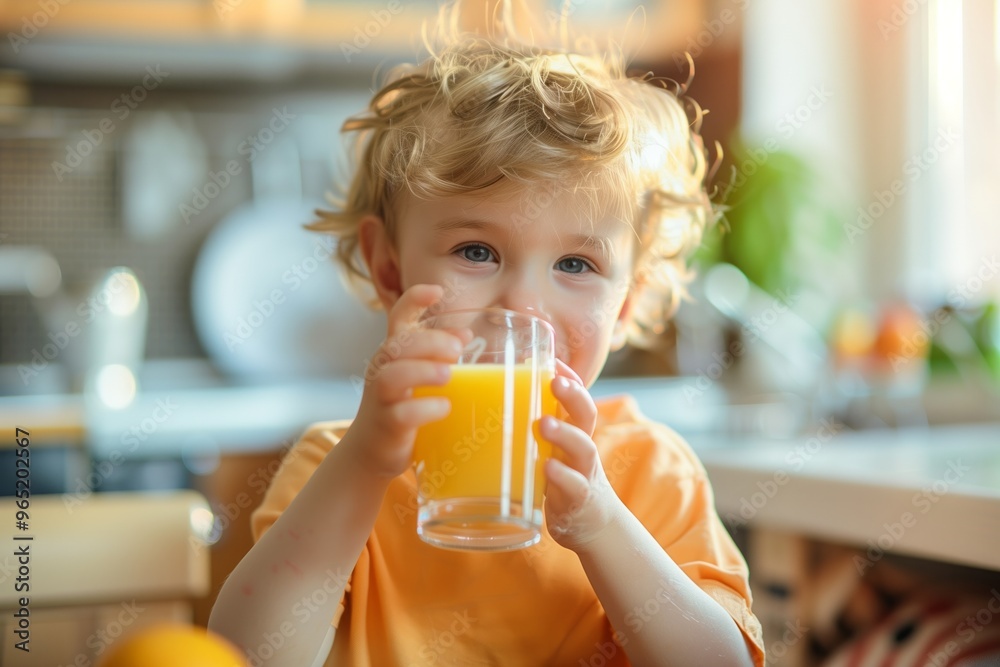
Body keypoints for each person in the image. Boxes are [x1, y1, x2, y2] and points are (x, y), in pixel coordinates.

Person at [209, 3, 765, 665]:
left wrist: (601, 523)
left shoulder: (650, 472)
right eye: (476, 251)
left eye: (576, 264)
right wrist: (363, 463)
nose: (522, 305)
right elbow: (246, 654)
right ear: (390, 268)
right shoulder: (336, 462)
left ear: (627, 305)